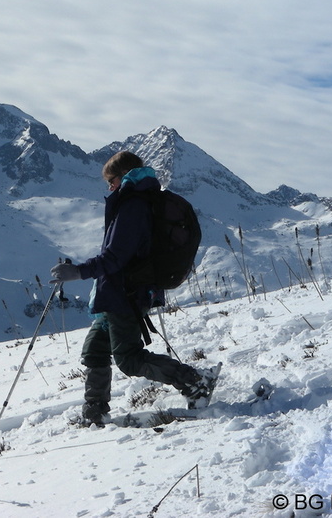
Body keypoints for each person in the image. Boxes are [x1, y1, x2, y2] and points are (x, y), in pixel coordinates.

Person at [50, 151, 219, 426]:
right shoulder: (135, 200)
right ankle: (95, 411)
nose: (109, 187)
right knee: (95, 350)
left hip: (125, 293)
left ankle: (194, 381)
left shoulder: (133, 205)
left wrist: (79, 272)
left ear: (123, 176)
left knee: (128, 358)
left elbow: (116, 256)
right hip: (117, 291)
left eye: (111, 180)